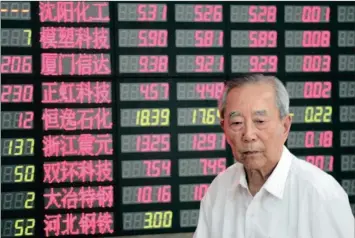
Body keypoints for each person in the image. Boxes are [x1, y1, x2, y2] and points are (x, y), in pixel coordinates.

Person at [193, 74, 354, 238]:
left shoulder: (320, 194)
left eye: (260, 121)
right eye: (236, 123)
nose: (249, 135)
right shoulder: (219, 189)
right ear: (224, 128)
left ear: (285, 126)